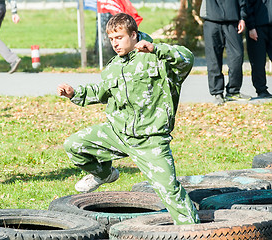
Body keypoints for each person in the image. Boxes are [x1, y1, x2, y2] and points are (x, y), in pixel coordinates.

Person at [57, 13, 200, 225]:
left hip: (150, 139)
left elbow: (187, 58)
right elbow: (101, 91)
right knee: (74, 145)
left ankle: (193, 231)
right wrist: (74, 93)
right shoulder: (114, 65)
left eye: (120, 37)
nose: (115, 43)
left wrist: (156, 49)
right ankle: (105, 174)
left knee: (169, 191)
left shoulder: (157, 58)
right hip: (117, 133)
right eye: (111, 39)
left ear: (133, 35)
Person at [200, 0, 251, 105]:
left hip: (233, 21)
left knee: (237, 56)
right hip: (211, 20)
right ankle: (217, 93)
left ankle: (233, 91)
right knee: (213, 58)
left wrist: (242, 18)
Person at [245, 0, 272, 98]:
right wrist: (251, 27)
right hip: (257, 27)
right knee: (258, 62)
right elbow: (247, 5)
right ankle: (261, 90)